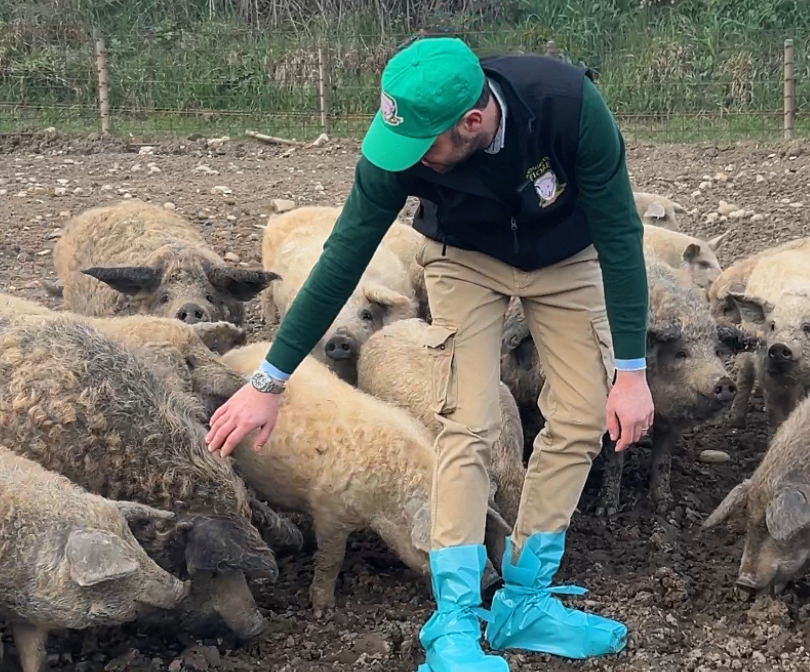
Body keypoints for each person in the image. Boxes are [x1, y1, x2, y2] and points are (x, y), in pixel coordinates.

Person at [205, 36, 654, 671]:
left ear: (472, 122)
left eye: (422, 147)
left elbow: (621, 235)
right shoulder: (396, 147)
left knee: (582, 419)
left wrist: (631, 371)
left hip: (565, 258)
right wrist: (268, 381)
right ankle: (455, 618)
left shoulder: (567, 105)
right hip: (464, 258)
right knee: (469, 423)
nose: (407, 158)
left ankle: (526, 599)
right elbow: (342, 257)